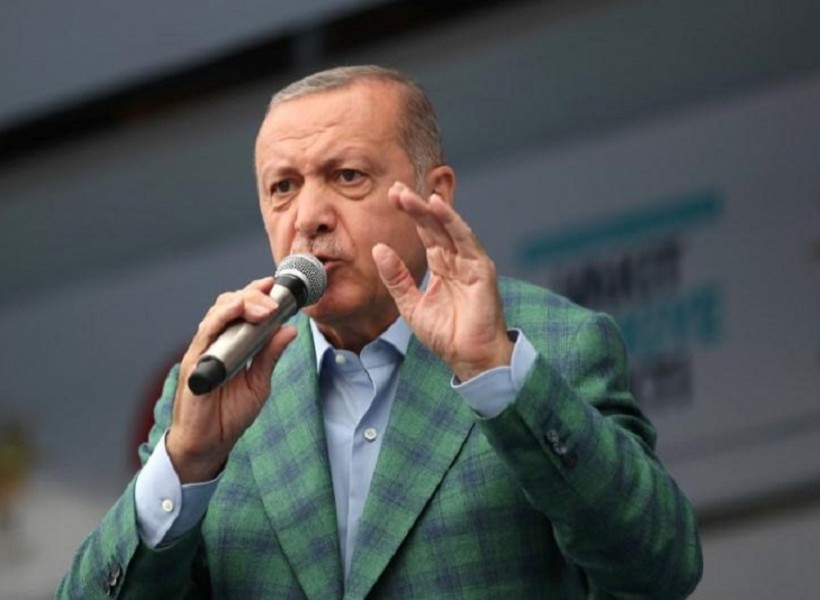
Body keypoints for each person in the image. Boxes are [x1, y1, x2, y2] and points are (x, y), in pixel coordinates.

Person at [58, 65, 702, 599]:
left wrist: (498, 376)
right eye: (283, 188)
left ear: (434, 194)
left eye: (347, 177)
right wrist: (184, 465)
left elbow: (660, 568)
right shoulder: (215, 390)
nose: (309, 217)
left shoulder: (552, 345)